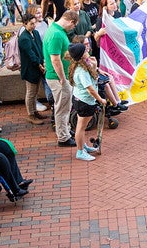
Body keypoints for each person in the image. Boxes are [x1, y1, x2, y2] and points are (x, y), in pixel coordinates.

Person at [44, 10, 77, 147]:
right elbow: (55, 59)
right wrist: (62, 78)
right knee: (62, 107)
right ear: (71, 22)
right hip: (58, 78)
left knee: (65, 105)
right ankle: (63, 137)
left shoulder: (56, 30)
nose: (73, 28)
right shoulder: (56, 34)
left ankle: (66, 131)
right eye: (74, 26)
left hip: (60, 76)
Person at [67, 43, 106, 162]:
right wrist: (100, 99)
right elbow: (90, 89)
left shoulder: (80, 66)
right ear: (81, 55)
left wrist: (94, 65)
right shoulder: (81, 71)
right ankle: (80, 151)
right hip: (85, 102)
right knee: (81, 127)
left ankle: (82, 146)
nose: (87, 50)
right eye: (84, 50)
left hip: (79, 99)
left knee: (80, 125)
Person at [17, 13, 48, 124]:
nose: (34, 25)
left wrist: (43, 61)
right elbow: (30, 54)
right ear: (25, 24)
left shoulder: (35, 33)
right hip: (30, 69)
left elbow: (40, 47)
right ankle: (31, 114)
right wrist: (39, 65)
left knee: (34, 92)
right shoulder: (24, 38)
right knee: (31, 92)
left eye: (35, 23)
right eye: (31, 24)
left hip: (38, 66)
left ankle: (34, 111)